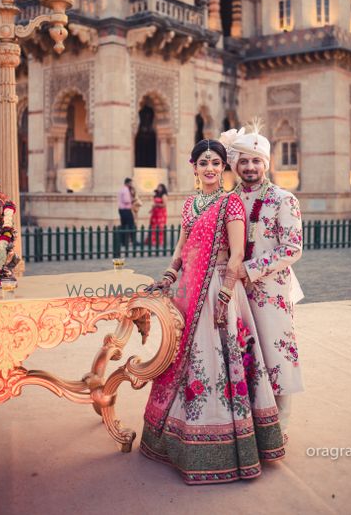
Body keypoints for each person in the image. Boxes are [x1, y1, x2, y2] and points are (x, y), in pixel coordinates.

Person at [140, 139, 285, 485]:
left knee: (217, 361)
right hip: (189, 290)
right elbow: (181, 246)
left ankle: (225, 446)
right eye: (203, 162)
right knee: (182, 360)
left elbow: (236, 255)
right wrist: (168, 276)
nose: (209, 168)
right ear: (193, 167)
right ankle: (177, 440)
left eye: (216, 163)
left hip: (218, 289)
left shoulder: (230, 203)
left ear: (224, 168)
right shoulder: (190, 204)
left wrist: (224, 293)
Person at [220, 125, 304, 444]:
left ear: (266, 164)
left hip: (272, 292)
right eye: (244, 161)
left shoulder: (284, 199)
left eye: (256, 161)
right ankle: (248, 421)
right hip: (236, 291)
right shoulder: (229, 201)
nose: (250, 167)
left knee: (275, 353)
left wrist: (250, 269)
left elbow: (292, 248)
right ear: (235, 165)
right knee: (243, 353)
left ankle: (280, 426)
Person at [117, 177, 135, 249]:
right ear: (128, 183)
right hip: (126, 210)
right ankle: (132, 240)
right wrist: (132, 199)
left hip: (121, 210)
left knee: (124, 225)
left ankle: (123, 241)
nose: (132, 184)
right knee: (131, 225)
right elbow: (126, 200)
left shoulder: (122, 189)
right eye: (131, 183)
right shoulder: (126, 190)